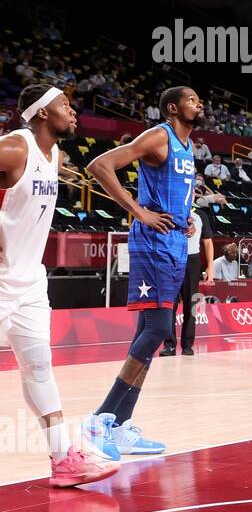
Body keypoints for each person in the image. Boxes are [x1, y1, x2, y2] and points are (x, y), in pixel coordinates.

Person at [0, 85, 119, 487]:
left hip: (30, 278)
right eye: (64, 105)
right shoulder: (16, 148)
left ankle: (64, 459)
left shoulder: (56, 155)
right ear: (41, 113)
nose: (73, 112)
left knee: (39, 367)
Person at [82, 86, 206, 457]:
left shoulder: (188, 148)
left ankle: (119, 426)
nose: (199, 104)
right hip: (151, 243)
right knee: (158, 330)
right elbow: (99, 165)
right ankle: (100, 417)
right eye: (191, 100)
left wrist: (184, 220)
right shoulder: (158, 135)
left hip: (174, 244)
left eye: (199, 100)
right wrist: (140, 211)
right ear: (172, 107)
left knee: (147, 332)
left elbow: (172, 192)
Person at [160, 205, 214, 357]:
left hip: (192, 260)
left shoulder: (201, 215)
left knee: (191, 304)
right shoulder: (171, 210)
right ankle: (169, 344)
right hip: (172, 259)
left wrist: (210, 267)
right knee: (170, 304)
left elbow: (208, 242)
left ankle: (188, 345)